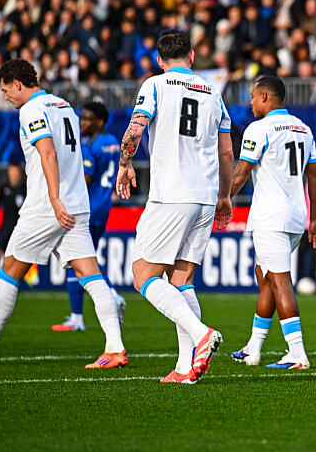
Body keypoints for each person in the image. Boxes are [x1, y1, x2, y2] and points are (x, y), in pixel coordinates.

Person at [0, 59, 127, 368]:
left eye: (6, 90)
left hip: (47, 206)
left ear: (17, 83)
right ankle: (115, 348)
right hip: (77, 204)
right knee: (91, 274)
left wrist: (53, 198)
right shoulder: (65, 106)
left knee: (9, 269)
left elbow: (48, 152)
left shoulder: (31, 110)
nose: (5, 97)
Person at [115, 29, 233, 384]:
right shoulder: (213, 92)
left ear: (159, 60)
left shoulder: (155, 85)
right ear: (192, 57)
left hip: (171, 193)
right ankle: (185, 368)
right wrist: (225, 196)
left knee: (143, 275)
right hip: (205, 195)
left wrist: (125, 163)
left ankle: (201, 334)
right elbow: (227, 151)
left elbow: (135, 129)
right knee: (181, 279)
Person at [229, 76, 316, 369]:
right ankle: (253, 348)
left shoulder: (258, 129)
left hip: (270, 217)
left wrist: (221, 198)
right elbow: (314, 176)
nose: (250, 102)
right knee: (267, 280)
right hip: (296, 217)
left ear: (265, 98)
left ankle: (297, 353)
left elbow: (241, 171)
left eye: (253, 96)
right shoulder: (304, 128)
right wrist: (315, 218)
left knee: (279, 281)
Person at [52, 101, 126, 332]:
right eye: (81, 118)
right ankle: (83, 313)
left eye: (87, 119)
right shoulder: (113, 142)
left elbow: (84, 180)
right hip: (104, 207)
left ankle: (89, 310)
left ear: (100, 121)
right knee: (85, 257)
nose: (82, 123)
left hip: (87, 208)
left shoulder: (89, 146)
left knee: (78, 259)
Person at [0, 163, 26, 291]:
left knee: (16, 257)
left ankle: (14, 285)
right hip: (6, 226)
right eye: (11, 171)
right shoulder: (4, 187)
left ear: (19, 173)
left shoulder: (24, 188)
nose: (13, 174)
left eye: (15, 172)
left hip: (19, 226)